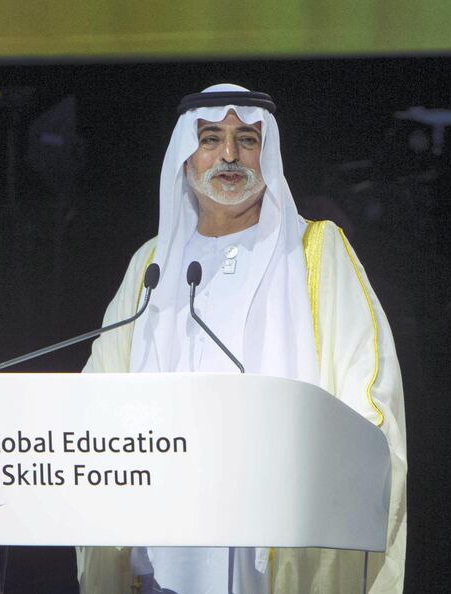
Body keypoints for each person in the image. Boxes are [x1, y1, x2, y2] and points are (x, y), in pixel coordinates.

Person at [77, 84, 406, 593]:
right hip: (162, 552)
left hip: (273, 552)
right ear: (186, 157)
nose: (229, 155)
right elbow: (96, 392)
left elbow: (370, 388)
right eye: (211, 138)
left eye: (246, 140)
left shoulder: (316, 251)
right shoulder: (151, 265)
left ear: (266, 153)